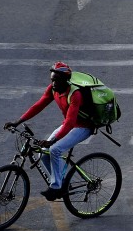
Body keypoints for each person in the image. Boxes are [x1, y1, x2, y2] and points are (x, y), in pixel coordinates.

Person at [5, 62, 96, 201]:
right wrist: (18, 121)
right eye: (51, 80)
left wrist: (52, 141)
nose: (53, 83)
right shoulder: (53, 89)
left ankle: (56, 187)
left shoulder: (75, 94)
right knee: (43, 153)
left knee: (55, 149)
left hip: (83, 127)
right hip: (68, 125)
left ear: (66, 80)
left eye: (56, 80)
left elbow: (71, 122)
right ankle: (62, 182)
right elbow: (38, 105)